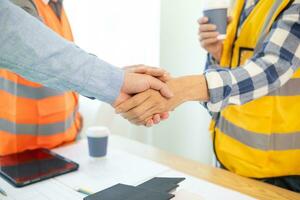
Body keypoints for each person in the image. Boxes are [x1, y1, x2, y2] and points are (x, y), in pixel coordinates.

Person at [116, 0, 300, 192]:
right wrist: (218, 52)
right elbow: (238, 66)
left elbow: (271, 69)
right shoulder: (242, 3)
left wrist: (181, 90)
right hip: (229, 157)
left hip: (279, 174)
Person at [0, 0, 173, 111]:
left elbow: (66, 64)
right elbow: (36, 50)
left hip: (66, 145)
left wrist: (116, 77)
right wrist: (117, 81)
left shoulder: (56, 6)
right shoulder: (17, 5)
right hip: (15, 154)